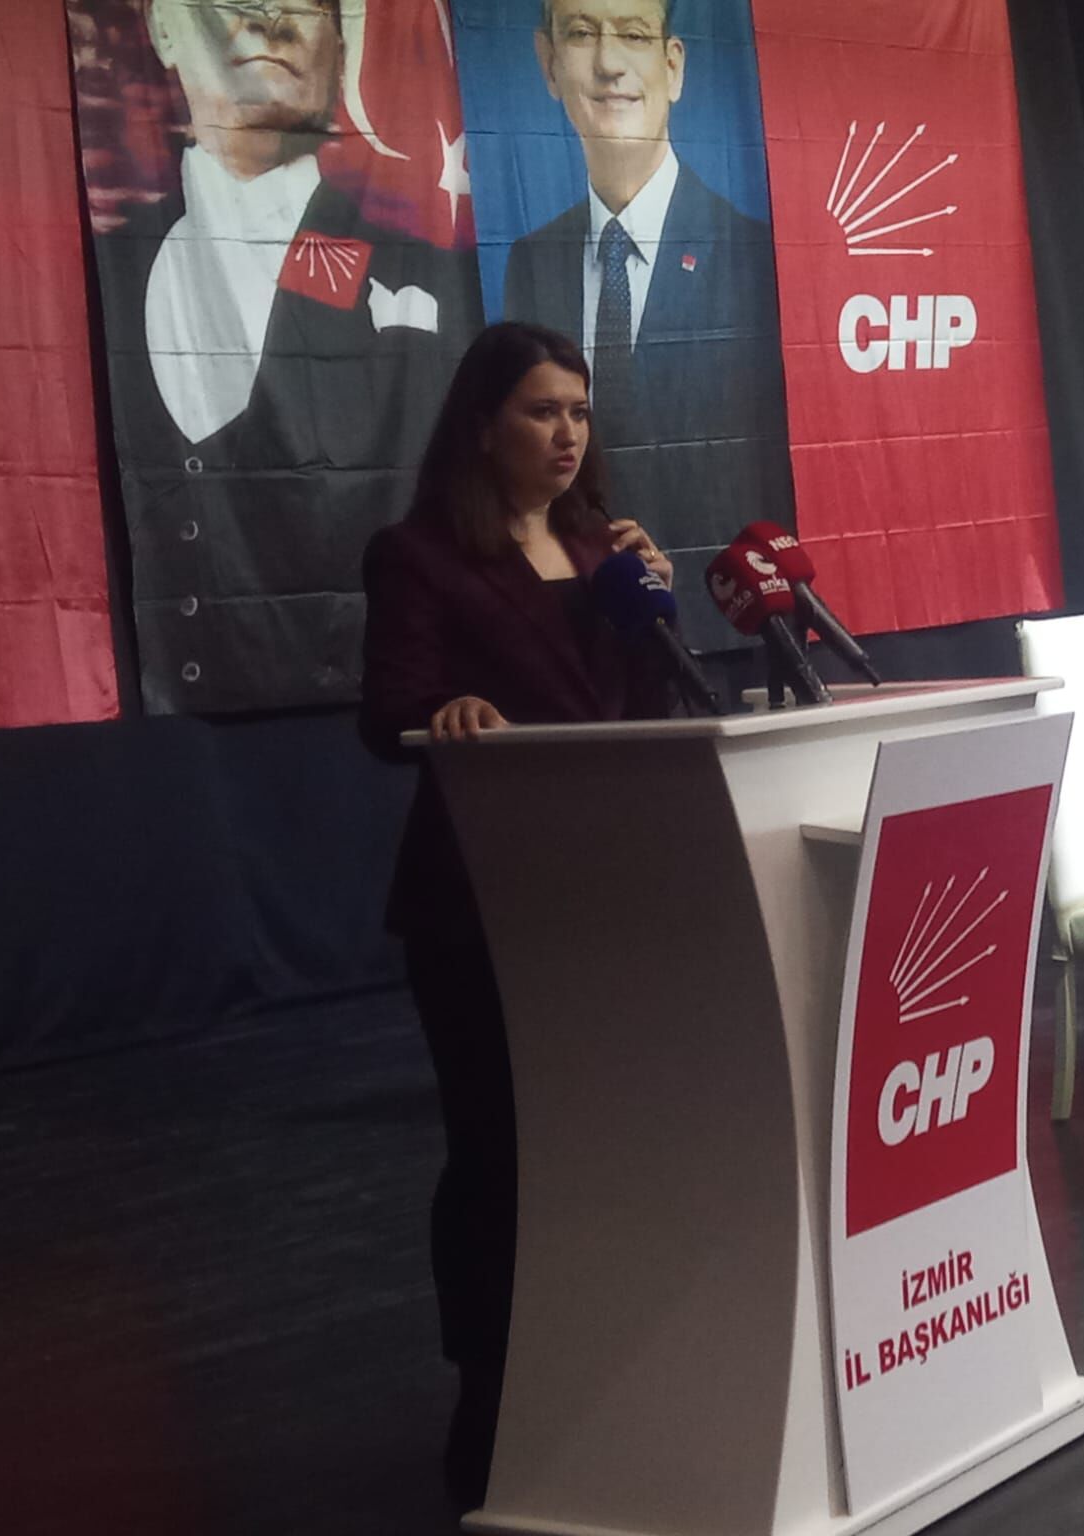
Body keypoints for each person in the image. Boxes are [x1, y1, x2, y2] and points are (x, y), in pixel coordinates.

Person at [358, 322, 672, 1511]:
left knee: (601, 1148)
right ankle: (486, 1400)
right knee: (496, 1152)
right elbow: (386, 712)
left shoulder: (601, 547)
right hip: (478, 904)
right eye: (543, 411)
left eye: (578, 413)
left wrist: (651, 608)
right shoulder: (418, 555)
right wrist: (445, 712)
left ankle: (599, 1373)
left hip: (605, 895)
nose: (566, 434)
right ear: (484, 424)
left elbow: (645, 708)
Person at [93, 0, 477, 713]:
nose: (271, 25)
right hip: (144, 742)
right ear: (165, 25)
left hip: (356, 726)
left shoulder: (425, 278)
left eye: (303, 5)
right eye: (237, 2)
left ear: (340, 46)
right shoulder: (104, 271)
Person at [503, 0, 793, 633]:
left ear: (673, 66)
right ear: (549, 63)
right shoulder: (530, 260)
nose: (609, 63)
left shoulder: (756, 256)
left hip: (725, 632)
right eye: (582, 33)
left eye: (633, 35)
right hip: (582, 634)